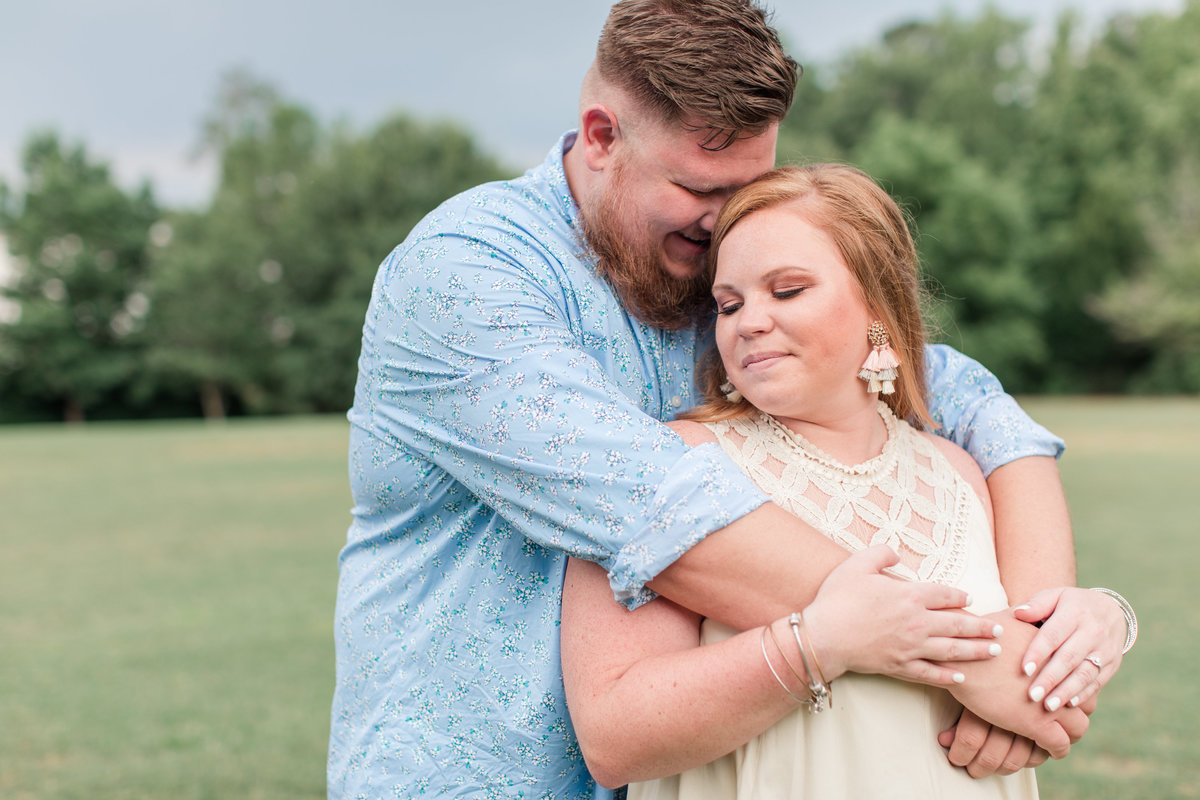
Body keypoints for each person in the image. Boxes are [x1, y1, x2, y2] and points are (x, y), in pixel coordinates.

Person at [327, 2, 1129, 797]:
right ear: (601, 137)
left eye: (751, 186)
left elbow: (969, 403)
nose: (726, 224)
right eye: (700, 187)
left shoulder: (713, 274)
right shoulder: (464, 274)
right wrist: (977, 661)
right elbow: (654, 504)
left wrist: (1050, 631)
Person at [560, 163, 1137, 798]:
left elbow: (1038, 678)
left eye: (786, 291)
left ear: (877, 306)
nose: (748, 321)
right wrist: (818, 645)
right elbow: (614, 740)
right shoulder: (671, 465)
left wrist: (1104, 618)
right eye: (728, 304)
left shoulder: (961, 474)